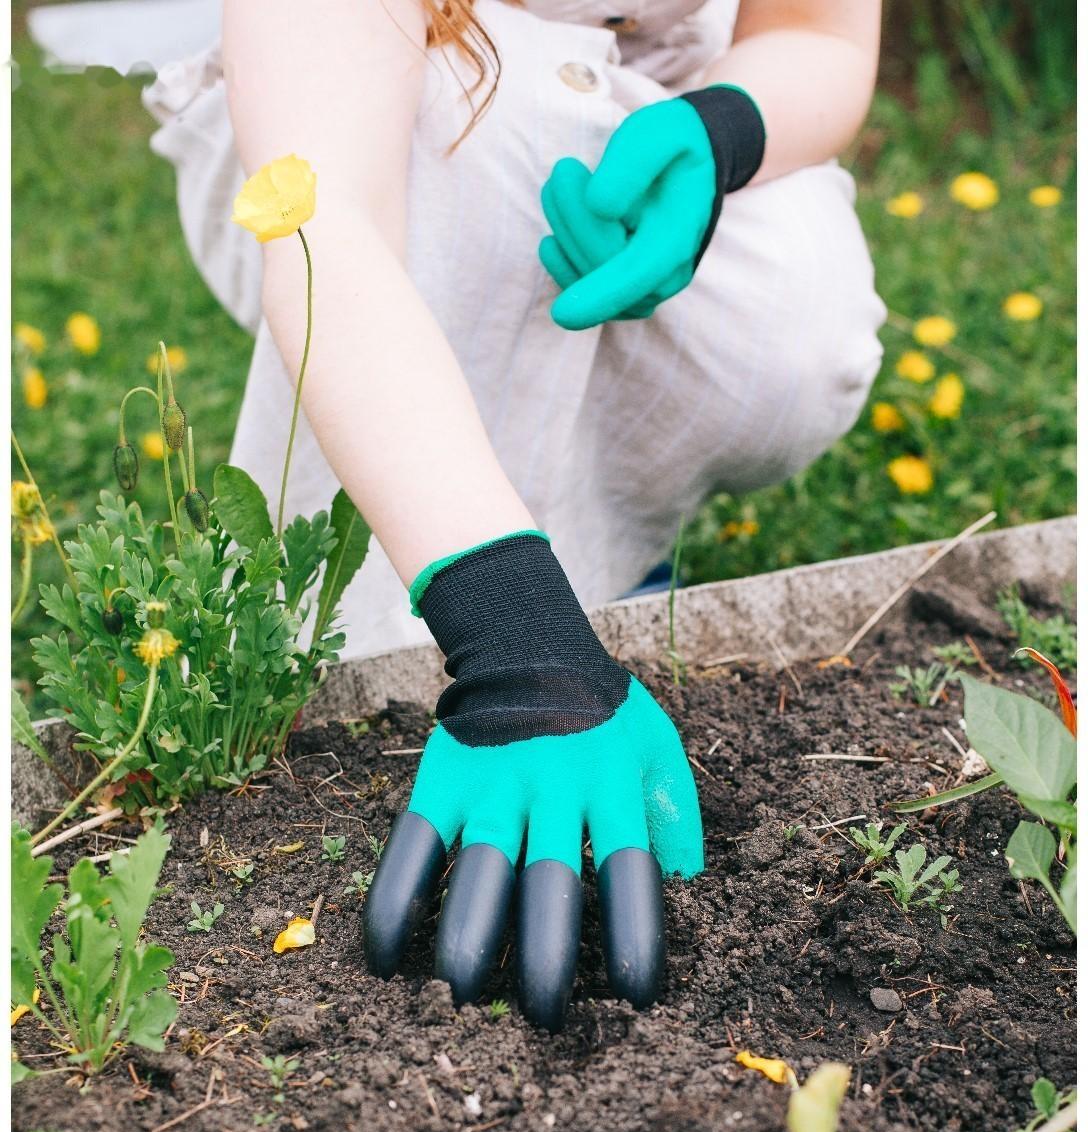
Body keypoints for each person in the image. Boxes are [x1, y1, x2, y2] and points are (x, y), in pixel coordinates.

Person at [29, 0, 885, 1027]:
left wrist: (718, 128)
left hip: (631, 76)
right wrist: (512, 643)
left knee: (792, 317)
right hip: (349, 130)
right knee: (493, 114)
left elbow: (823, 37)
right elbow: (327, 223)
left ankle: (591, 553)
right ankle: (389, 621)